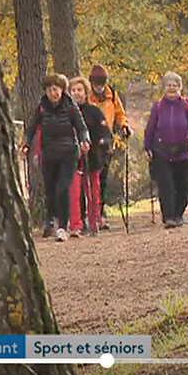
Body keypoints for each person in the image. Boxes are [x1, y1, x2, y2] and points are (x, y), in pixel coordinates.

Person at [21, 74, 90, 242]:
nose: (54, 93)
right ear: (46, 91)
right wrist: (26, 144)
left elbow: (81, 126)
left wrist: (84, 140)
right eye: (50, 90)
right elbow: (31, 128)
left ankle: (62, 227)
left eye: (56, 89)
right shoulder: (42, 107)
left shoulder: (70, 106)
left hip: (68, 153)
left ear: (61, 90)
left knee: (63, 188)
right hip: (49, 154)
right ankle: (50, 219)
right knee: (50, 190)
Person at [143, 72, 188, 229]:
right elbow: (150, 128)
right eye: (169, 85)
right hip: (162, 151)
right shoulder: (158, 106)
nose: (172, 88)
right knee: (166, 184)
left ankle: (178, 214)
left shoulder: (187, 105)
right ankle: (168, 216)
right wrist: (147, 147)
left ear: (180, 88)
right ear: (164, 88)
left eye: (175, 85)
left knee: (183, 184)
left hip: (183, 152)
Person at [88, 63, 133, 230]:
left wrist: (124, 126)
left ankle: (100, 213)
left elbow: (120, 113)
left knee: (103, 178)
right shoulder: (87, 96)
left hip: (106, 141)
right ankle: (90, 214)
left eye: (102, 84)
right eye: (96, 84)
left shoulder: (111, 95)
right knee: (90, 178)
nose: (99, 87)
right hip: (90, 140)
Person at [68, 76, 112, 237]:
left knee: (93, 191)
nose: (76, 93)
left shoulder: (94, 111)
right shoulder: (67, 113)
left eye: (79, 90)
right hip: (72, 158)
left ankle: (94, 221)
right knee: (74, 192)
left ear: (86, 92)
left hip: (92, 157)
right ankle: (76, 224)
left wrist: (104, 142)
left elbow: (104, 130)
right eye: (73, 90)